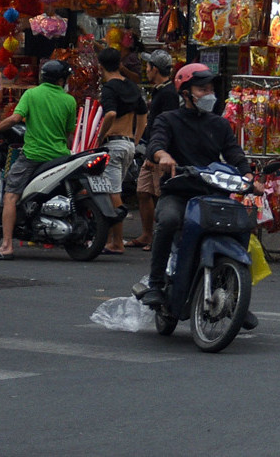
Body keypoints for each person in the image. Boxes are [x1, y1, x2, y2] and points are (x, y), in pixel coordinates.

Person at [141, 64, 255, 310]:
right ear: (185, 93)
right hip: (179, 193)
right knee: (169, 220)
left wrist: (248, 176)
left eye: (211, 88)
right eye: (202, 89)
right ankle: (155, 284)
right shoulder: (168, 120)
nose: (209, 94)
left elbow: (234, 153)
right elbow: (156, 143)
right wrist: (163, 156)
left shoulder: (220, 124)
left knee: (240, 227)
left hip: (212, 195)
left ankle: (234, 297)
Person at [0, 58, 78, 260]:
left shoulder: (31, 94)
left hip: (33, 156)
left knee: (10, 195)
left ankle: (7, 245)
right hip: (61, 157)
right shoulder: (69, 100)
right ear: (61, 80)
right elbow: (69, 132)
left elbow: (15, 119)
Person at [94, 48, 147, 254]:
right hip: (127, 146)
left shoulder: (109, 88)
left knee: (112, 193)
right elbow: (143, 115)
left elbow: (110, 114)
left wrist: (100, 137)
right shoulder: (131, 86)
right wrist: (134, 140)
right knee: (113, 191)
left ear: (101, 66)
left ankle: (117, 241)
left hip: (113, 144)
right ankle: (108, 239)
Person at [126, 51, 177, 249]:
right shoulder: (160, 90)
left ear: (154, 69)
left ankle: (159, 238)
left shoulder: (169, 93)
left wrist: (157, 154)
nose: (145, 70)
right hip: (150, 149)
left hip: (159, 152)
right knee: (143, 192)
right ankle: (146, 235)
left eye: (147, 66)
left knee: (158, 194)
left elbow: (166, 127)